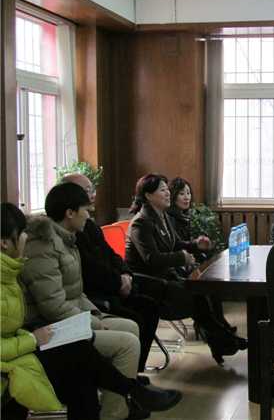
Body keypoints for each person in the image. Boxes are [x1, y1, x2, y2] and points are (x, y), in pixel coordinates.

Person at [1, 202, 181, 420]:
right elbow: (47, 308)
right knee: (81, 359)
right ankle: (131, 392)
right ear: (4, 243)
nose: (26, 238)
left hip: (29, 340)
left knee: (82, 362)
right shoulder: (30, 258)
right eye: (21, 233)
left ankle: (131, 393)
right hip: (20, 351)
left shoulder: (11, 270)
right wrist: (32, 338)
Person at [125, 174, 246, 365]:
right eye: (163, 190)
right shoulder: (141, 222)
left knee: (201, 291)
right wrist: (181, 257)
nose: (168, 193)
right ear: (148, 195)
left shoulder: (162, 216)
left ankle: (224, 342)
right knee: (196, 295)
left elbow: (175, 244)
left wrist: (196, 245)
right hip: (147, 285)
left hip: (165, 279)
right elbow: (152, 259)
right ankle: (224, 342)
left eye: (167, 189)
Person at [62, 173, 160, 374]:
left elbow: (111, 254)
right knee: (136, 318)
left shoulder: (89, 224)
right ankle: (125, 376)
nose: (92, 195)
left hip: (113, 286)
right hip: (98, 294)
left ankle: (135, 372)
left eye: (92, 190)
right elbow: (90, 271)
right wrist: (119, 282)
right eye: (86, 191)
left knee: (151, 304)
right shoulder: (69, 235)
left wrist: (125, 274)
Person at [167, 177, 236, 333]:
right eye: (182, 194)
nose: (187, 197)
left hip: (187, 261)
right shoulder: (170, 218)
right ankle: (214, 324)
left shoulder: (182, 216)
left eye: (188, 193)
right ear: (173, 196)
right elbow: (175, 246)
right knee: (209, 280)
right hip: (177, 266)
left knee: (213, 276)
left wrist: (200, 246)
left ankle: (218, 321)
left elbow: (186, 244)